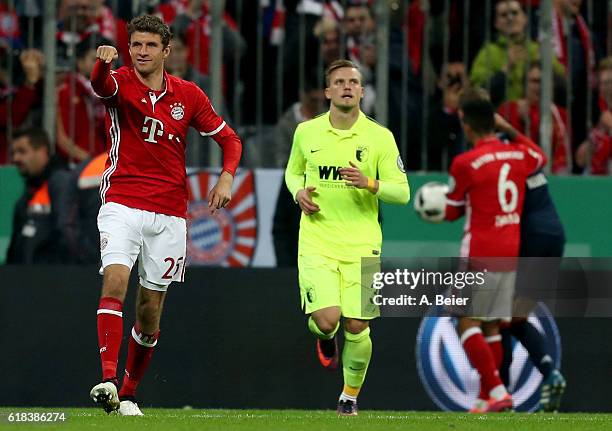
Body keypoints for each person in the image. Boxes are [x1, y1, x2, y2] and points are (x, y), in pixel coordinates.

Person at [88, 15, 242, 416]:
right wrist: (101, 63)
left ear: (166, 51)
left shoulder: (188, 95)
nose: (141, 52)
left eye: (150, 46)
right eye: (135, 44)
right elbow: (99, 86)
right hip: (121, 200)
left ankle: (129, 392)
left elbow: (230, 139)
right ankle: (107, 378)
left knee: (150, 312)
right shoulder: (119, 81)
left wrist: (225, 180)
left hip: (170, 212)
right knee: (116, 278)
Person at [284, 59, 410, 415]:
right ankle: (325, 339)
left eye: (353, 82)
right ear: (328, 91)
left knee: (357, 324)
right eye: (339, 82)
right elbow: (293, 173)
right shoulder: (306, 132)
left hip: (363, 244)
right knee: (328, 321)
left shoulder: (379, 138)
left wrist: (370, 183)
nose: (346, 87)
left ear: (362, 91)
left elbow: (402, 193)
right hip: (317, 241)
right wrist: (298, 194)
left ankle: (349, 398)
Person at [443, 88, 546, 413]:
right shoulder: (517, 155)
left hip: (479, 252)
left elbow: (450, 211)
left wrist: (436, 203)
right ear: (494, 121)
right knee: (490, 325)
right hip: (509, 252)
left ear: (465, 123)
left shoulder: (465, 163)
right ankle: (490, 396)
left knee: (464, 320)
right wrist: (512, 130)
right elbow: (539, 157)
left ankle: (498, 390)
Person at [470, 0, 564, 106]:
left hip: (538, 118)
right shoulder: (488, 52)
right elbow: (478, 95)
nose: (510, 18)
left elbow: (564, 90)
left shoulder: (539, 49)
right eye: (504, 15)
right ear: (496, 23)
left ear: (525, 18)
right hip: (501, 120)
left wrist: (546, 66)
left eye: (515, 13)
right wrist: (505, 70)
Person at [7, 127, 73, 264]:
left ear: (42, 151)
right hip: (25, 279)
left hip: (52, 280)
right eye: (13, 153)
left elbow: (67, 235)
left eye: (22, 151)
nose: (15, 158)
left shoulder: (61, 183)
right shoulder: (29, 192)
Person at [498, 62, 570, 173]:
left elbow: (562, 153)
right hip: (516, 174)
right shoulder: (508, 110)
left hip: (554, 175)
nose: (539, 86)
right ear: (524, 84)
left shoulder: (561, 114)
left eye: (544, 81)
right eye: (534, 81)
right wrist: (521, 121)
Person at [56, 36, 108, 164]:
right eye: (96, 60)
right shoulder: (66, 91)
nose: (103, 64)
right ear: (80, 62)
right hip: (77, 166)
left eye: (108, 60)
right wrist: (91, 162)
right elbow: (62, 139)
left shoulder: (110, 92)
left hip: (102, 164)